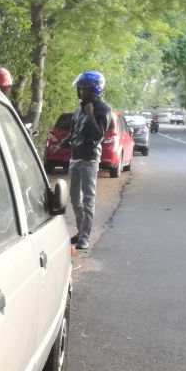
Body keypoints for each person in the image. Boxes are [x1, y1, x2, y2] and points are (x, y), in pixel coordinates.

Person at [61, 70, 111, 250]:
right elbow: (74, 130)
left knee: (88, 198)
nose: (81, 92)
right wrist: (64, 142)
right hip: (76, 156)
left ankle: (85, 237)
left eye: (85, 89)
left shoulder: (103, 110)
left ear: (95, 90)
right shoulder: (79, 108)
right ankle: (81, 230)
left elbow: (98, 136)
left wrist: (90, 115)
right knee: (75, 198)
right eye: (80, 88)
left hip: (90, 159)